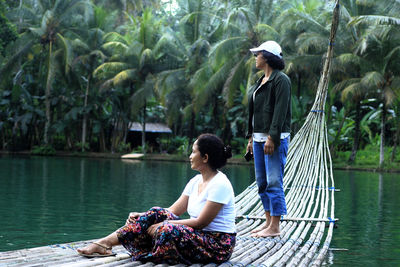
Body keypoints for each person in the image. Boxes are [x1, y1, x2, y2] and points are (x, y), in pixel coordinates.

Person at [77, 133, 236, 265]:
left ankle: (150, 253)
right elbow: (172, 211)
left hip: (217, 245)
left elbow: (201, 223)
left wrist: (166, 223)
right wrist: (144, 215)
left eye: (193, 152)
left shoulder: (220, 184)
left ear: (205, 157)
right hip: (197, 236)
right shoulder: (195, 181)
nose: (190, 156)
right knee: (156, 213)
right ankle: (105, 243)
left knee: (167, 229)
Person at [245, 41, 291, 237]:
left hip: (274, 138)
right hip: (257, 138)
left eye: (258, 54)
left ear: (267, 56)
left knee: (274, 182)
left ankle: (275, 227)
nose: (255, 57)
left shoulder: (281, 80)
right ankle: (267, 222)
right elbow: (254, 112)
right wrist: (250, 137)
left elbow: (280, 112)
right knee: (262, 183)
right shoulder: (260, 81)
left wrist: (272, 138)